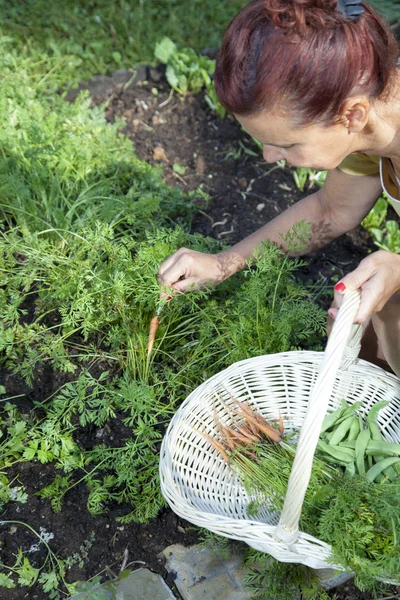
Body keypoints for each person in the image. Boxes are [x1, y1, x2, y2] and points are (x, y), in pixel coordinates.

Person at [158, 0, 400, 376]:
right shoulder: (371, 119)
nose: (270, 157)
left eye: (287, 145)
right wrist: (224, 263)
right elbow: (331, 211)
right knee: (365, 343)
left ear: (352, 115)